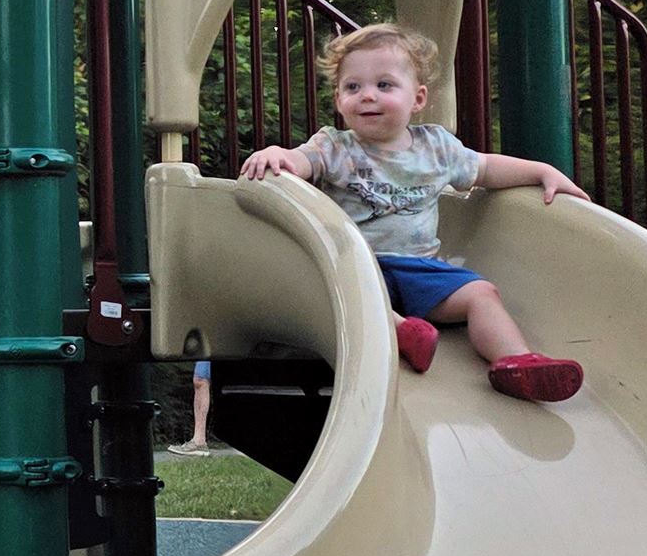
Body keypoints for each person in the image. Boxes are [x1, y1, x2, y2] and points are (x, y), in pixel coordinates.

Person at [239, 22, 586, 404]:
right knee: (350, 300)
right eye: (353, 87)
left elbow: (485, 169)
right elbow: (301, 162)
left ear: (417, 98)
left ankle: (516, 362)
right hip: (356, 267)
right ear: (339, 100)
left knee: (481, 293)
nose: (367, 95)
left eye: (384, 85)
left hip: (419, 270)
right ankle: (403, 332)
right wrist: (280, 154)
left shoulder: (436, 147)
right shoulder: (334, 147)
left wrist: (541, 171)